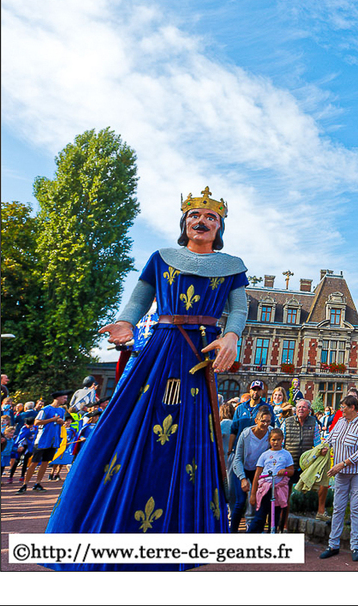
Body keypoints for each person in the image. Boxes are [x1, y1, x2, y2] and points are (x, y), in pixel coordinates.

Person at [44, 187, 248, 570]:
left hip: (199, 354)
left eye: (210, 217)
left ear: (219, 227)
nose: (201, 221)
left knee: (188, 435)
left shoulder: (232, 266)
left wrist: (232, 336)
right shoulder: (161, 258)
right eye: (193, 215)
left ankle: (183, 530)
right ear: (184, 223)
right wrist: (125, 321)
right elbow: (140, 299)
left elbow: (239, 310)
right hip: (161, 349)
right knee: (129, 424)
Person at [319, 395, 358, 562]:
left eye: (344, 407)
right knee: (338, 507)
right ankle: (333, 545)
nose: (341, 410)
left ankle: (354, 547)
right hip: (340, 473)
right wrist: (324, 448)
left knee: (356, 508)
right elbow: (330, 438)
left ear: (353, 408)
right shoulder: (340, 421)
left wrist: (341, 464)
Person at [231, 405, 274, 532]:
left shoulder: (271, 433)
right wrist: (243, 478)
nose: (265, 424)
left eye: (268, 421)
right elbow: (237, 459)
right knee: (240, 502)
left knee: (258, 502)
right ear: (256, 421)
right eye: (263, 421)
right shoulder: (246, 435)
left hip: (258, 471)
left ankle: (255, 529)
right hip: (242, 469)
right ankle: (232, 532)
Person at [17, 390, 69, 493]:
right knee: (34, 462)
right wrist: (52, 420)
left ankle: (38, 483)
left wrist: (61, 422)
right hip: (42, 440)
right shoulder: (45, 410)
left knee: (45, 463)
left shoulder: (62, 411)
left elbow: (60, 422)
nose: (65, 400)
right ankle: (25, 484)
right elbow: (37, 422)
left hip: (53, 440)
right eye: (64, 398)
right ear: (58, 398)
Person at [247, 428, 294, 533]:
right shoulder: (264, 455)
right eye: (273, 440)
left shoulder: (286, 455)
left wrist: (285, 471)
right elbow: (257, 475)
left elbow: (291, 471)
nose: (276, 442)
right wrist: (253, 494)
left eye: (278, 439)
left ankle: (272, 535)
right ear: (269, 440)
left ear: (282, 440)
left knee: (275, 516)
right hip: (266, 489)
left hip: (278, 490)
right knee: (260, 516)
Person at [281, 399, 319, 484]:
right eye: (299, 407)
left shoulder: (313, 423)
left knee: (304, 490)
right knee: (287, 488)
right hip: (289, 463)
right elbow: (281, 443)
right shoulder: (287, 422)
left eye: (304, 407)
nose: (301, 409)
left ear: (309, 410)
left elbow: (317, 444)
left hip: (306, 464)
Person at [231, 380, 272, 445]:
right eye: (254, 389)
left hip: (259, 446)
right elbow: (233, 430)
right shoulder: (241, 408)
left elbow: (271, 428)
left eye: (258, 390)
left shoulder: (267, 408)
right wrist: (230, 449)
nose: (256, 392)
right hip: (241, 445)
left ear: (262, 392)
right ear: (250, 391)